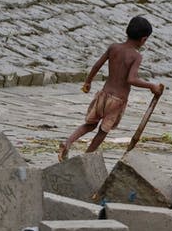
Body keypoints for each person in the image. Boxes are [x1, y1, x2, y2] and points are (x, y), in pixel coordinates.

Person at [58, 16, 163, 162]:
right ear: (144, 39)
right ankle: (86, 157)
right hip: (117, 102)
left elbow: (96, 65)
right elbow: (131, 79)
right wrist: (151, 86)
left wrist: (88, 82)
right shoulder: (136, 56)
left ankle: (68, 142)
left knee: (90, 124)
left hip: (103, 95)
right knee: (102, 132)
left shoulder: (114, 48)